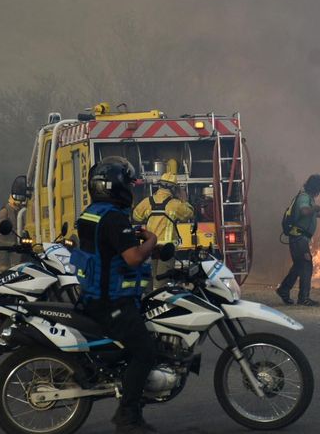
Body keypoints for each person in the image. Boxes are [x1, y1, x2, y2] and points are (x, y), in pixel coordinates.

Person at [72, 157, 158, 434]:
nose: (131, 189)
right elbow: (132, 257)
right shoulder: (113, 218)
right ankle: (128, 417)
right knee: (146, 352)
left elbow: (110, 249)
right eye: (129, 183)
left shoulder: (92, 214)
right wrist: (152, 241)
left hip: (95, 296)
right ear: (117, 187)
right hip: (111, 302)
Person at [276, 174, 320, 307]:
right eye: (319, 189)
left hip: (301, 237)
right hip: (298, 237)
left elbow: (313, 213)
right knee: (306, 265)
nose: (319, 192)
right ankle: (303, 298)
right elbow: (305, 211)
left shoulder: (308, 198)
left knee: (299, 265)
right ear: (315, 188)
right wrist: (314, 208)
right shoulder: (304, 197)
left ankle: (284, 289)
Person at [132, 172, 193, 289]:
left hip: (150, 248)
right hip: (166, 251)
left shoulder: (147, 202)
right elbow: (189, 213)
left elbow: (136, 216)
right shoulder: (175, 205)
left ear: (160, 186)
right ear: (174, 188)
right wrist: (184, 200)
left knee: (150, 282)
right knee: (161, 284)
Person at [0, 192, 24, 270]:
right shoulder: (5, 211)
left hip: (17, 245)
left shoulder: (21, 211)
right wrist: (9, 243)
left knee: (17, 267)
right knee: (4, 268)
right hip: (5, 246)